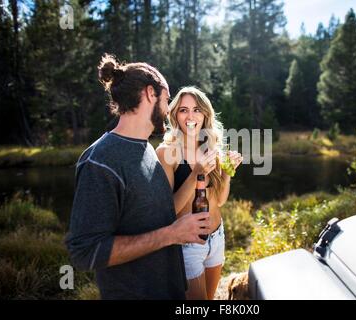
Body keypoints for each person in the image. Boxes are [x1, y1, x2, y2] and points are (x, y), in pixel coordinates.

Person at [65, 55, 211, 300]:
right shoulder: (99, 162)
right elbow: (85, 251)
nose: (168, 111)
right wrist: (171, 234)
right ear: (150, 93)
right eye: (166, 100)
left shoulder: (147, 151)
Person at [156, 86, 243, 300]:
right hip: (188, 244)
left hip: (217, 237)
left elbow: (220, 201)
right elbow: (169, 211)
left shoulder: (211, 148)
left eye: (197, 109)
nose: (191, 116)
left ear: (205, 114)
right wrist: (196, 173)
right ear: (175, 114)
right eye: (184, 110)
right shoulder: (166, 152)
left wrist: (228, 172)